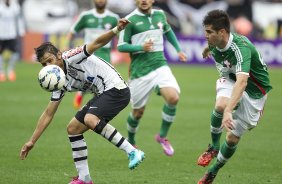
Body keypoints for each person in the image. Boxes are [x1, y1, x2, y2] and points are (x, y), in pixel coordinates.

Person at [20, 18, 145, 184]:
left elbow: (96, 43)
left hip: (117, 88)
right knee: (73, 128)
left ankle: (132, 151)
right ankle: (84, 179)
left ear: (59, 55)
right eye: (44, 64)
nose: (48, 66)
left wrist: (116, 30)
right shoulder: (58, 80)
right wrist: (31, 141)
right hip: (102, 93)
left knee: (90, 119)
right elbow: (49, 113)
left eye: (50, 60)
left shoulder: (72, 56)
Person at [197, 10, 272, 184]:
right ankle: (213, 147)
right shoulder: (216, 42)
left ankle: (213, 171)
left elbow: (243, 82)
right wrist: (207, 48)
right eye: (205, 31)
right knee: (220, 105)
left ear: (222, 32)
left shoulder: (240, 48)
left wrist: (230, 110)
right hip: (230, 79)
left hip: (254, 93)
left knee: (232, 138)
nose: (205, 35)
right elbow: (235, 82)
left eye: (209, 32)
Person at [117, 0, 187, 156]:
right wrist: (140, 47)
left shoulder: (160, 14)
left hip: (160, 65)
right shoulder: (130, 20)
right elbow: (121, 46)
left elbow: (168, 31)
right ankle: (132, 141)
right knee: (137, 113)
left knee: (173, 98)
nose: (144, 1)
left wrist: (178, 50)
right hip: (140, 72)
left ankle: (162, 137)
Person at [67, 0, 120, 109]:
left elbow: (121, 36)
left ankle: (93, 109)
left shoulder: (114, 17)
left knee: (102, 85)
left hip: (105, 53)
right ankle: (83, 94)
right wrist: (67, 47)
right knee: (90, 79)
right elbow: (72, 31)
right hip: (89, 54)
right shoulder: (86, 16)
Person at [0, 0, 25, 82]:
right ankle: (1, 72)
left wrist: (21, 30)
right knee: (0, 53)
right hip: (1, 33)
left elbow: (19, 19)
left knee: (15, 52)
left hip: (12, 33)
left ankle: (10, 70)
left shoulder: (15, 5)